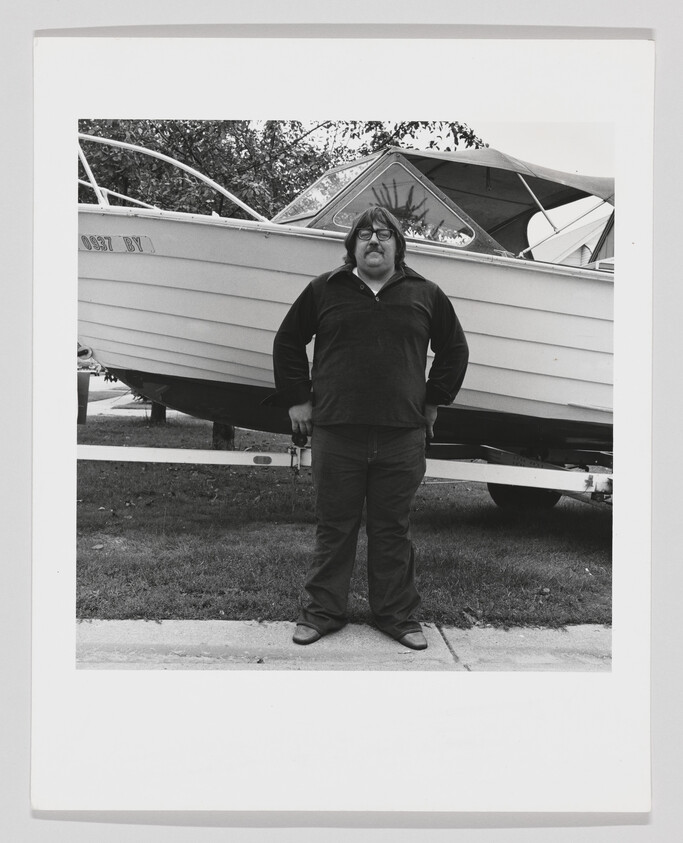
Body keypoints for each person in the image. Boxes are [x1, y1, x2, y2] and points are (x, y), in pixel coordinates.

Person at [268, 207, 469, 650]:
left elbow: (455, 349)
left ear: (399, 245)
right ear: (351, 246)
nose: (374, 240)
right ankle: (323, 613)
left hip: (401, 435)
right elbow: (287, 341)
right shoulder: (324, 289)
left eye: (383, 234)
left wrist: (433, 399)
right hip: (337, 431)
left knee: (392, 529)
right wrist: (298, 397)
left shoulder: (426, 294)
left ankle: (396, 615)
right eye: (363, 234)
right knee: (334, 527)